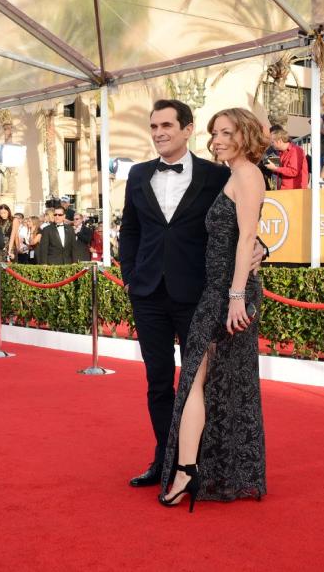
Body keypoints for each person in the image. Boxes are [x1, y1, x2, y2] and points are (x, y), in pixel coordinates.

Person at [120, 100, 265, 490]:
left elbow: (241, 226)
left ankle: (193, 465)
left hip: (198, 294)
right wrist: (130, 276)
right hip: (148, 294)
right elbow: (129, 231)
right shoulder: (136, 175)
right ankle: (163, 461)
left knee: (197, 383)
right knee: (157, 381)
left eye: (167, 124)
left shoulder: (218, 174)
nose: (158, 133)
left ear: (187, 129)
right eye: (153, 126)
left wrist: (262, 249)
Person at [157, 107, 267, 511]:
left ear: (245, 134)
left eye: (226, 132)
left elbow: (248, 236)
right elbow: (247, 236)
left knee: (201, 380)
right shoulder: (234, 175)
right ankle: (207, 469)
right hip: (217, 292)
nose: (217, 139)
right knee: (209, 381)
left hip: (229, 294)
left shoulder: (249, 174)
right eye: (214, 133)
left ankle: (191, 470)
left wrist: (237, 295)